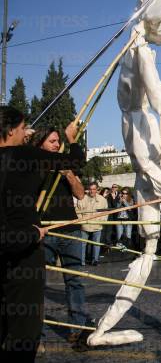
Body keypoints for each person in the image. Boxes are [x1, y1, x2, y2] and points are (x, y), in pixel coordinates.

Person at [0, 106, 83, 361]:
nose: (26, 132)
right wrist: (72, 140)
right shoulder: (24, 155)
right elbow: (74, 161)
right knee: (24, 324)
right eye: (23, 128)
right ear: (12, 129)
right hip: (23, 247)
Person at [30, 127, 90, 345]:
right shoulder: (35, 164)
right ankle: (35, 330)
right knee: (37, 283)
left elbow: (80, 194)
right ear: (40, 145)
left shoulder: (65, 165)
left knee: (74, 281)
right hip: (44, 231)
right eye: (51, 141)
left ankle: (78, 326)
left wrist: (68, 174)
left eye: (57, 141)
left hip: (70, 231)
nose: (56, 145)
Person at [76, 182, 108, 266]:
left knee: (96, 244)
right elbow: (78, 211)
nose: (92, 191)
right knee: (82, 244)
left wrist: (102, 221)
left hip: (97, 225)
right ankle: (82, 261)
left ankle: (95, 260)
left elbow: (105, 212)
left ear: (97, 189)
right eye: (90, 189)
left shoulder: (102, 200)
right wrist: (81, 221)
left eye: (93, 189)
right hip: (85, 225)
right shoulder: (82, 198)